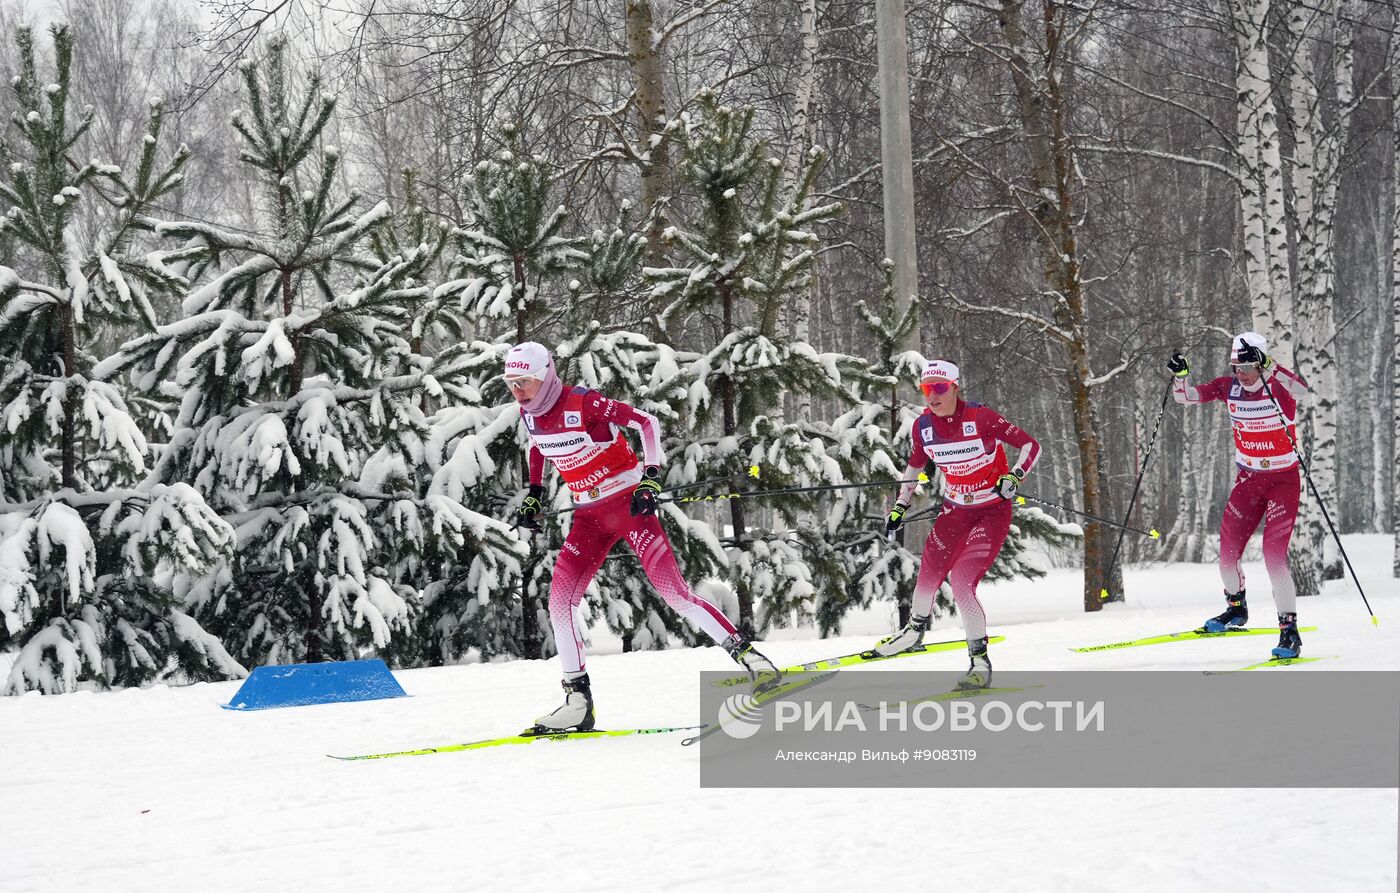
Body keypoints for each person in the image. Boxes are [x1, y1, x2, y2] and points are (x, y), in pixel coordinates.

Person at [503, 341, 780, 732]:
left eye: (525, 382)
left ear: (546, 375)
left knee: (675, 594)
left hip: (628, 505)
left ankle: (754, 661)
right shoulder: (529, 414)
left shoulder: (583, 403)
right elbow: (537, 445)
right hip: (588, 516)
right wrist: (534, 494)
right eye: (511, 383)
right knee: (559, 602)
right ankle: (577, 701)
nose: (519, 391)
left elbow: (645, 423)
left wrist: (650, 476)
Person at [872, 359, 1041, 690]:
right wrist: (899, 506)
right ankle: (914, 631)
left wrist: (1014, 476)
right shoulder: (923, 427)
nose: (932, 396)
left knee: (962, 582)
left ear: (954, 387)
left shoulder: (980, 417)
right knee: (928, 575)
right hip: (954, 512)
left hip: (990, 512)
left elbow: (1030, 445)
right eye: (926, 389)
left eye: (939, 388)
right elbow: (913, 469)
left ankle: (979, 663)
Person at [1167, 332, 1310, 659]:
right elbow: (1185, 397)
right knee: (1227, 554)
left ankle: (1290, 632)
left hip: (1282, 481)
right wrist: (1180, 376)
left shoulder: (1278, 390)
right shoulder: (1228, 387)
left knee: (1274, 557)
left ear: (1260, 364)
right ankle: (1236, 609)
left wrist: (1271, 366)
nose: (1240, 374)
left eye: (1247, 366)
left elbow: (1302, 391)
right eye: (1235, 366)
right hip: (1248, 480)